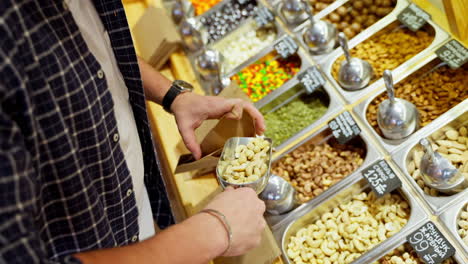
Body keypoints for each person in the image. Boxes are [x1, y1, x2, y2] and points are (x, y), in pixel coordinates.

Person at [0, 0, 268, 263]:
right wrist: (214, 230)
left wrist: (174, 96)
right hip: (87, 235)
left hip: (129, 213)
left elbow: (94, 49)